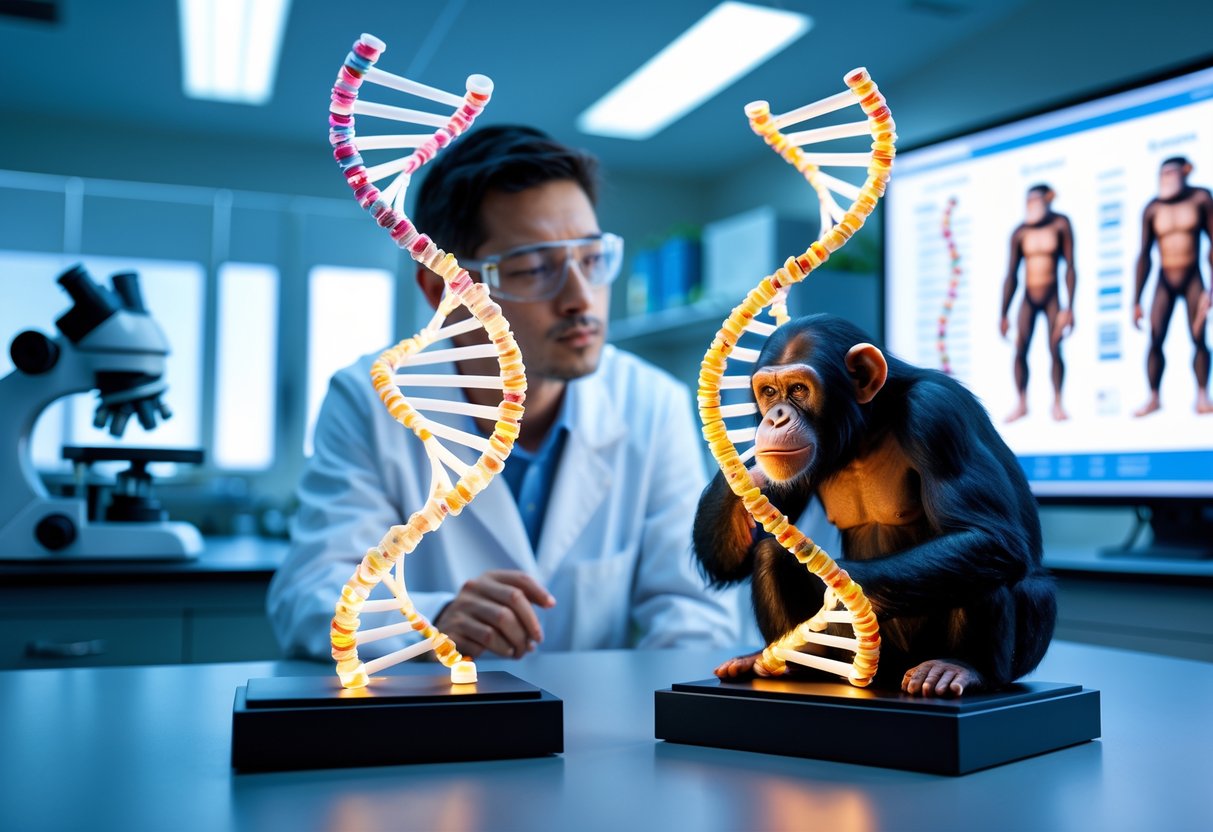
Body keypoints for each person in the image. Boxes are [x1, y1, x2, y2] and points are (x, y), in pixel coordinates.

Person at [269, 125, 739, 662]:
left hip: (596, 714)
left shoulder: (651, 403)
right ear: (443, 291)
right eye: (534, 268)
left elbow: (695, 610)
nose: (580, 298)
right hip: (437, 709)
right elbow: (310, 593)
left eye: (591, 259)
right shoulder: (371, 402)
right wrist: (432, 622)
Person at [1132, 156, 1213, 417]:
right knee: (1155, 338)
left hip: (1193, 277)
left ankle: (1202, 395)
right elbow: (1144, 255)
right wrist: (1136, 300)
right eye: (1163, 173)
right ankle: (1154, 397)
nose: (1166, 177)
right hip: (1164, 280)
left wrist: (1211, 288)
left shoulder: (1200, 198)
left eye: (1171, 172)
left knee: (1198, 337)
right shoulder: (1153, 208)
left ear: (1185, 172)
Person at [999, 183, 1076, 422]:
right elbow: (1011, 274)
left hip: (1052, 296)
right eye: (1028, 200)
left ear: (1048, 199)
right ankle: (1022, 402)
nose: (1032, 204)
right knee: (1020, 348)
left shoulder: (1060, 224)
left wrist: (1070, 307)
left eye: (1036, 199)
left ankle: (1057, 402)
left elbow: (1070, 267)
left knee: (1055, 348)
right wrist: (1003, 313)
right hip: (1028, 297)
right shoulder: (1020, 232)